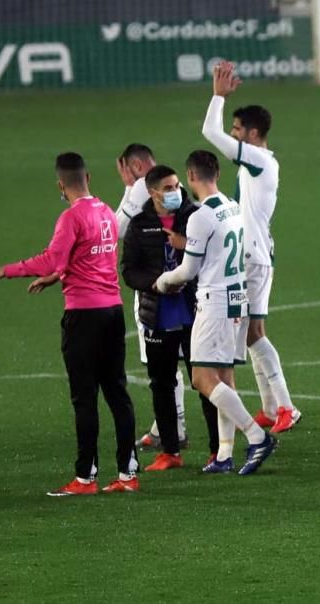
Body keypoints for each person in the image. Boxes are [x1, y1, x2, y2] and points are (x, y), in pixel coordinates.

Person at [0, 152, 139, 495]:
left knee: (84, 398)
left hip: (84, 317)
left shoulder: (71, 218)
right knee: (117, 394)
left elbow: (54, 257)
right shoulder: (106, 212)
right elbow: (88, 257)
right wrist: (55, 277)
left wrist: (5, 270)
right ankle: (128, 474)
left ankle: (85, 478)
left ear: (60, 186)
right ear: (88, 178)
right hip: (113, 312)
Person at [154, 150, 276, 475]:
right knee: (224, 378)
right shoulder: (232, 207)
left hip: (216, 301)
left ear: (190, 177)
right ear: (217, 173)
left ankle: (256, 436)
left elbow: (187, 272)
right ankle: (224, 454)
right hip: (237, 298)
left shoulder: (200, 216)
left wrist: (163, 281)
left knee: (201, 378)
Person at [202, 61, 300, 435]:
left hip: (252, 259)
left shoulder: (258, 159)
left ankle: (285, 406)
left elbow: (209, 130)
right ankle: (273, 407)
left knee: (253, 333)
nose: (232, 132)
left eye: (238, 129)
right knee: (253, 332)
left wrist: (218, 96)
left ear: (253, 134)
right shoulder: (258, 162)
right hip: (256, 254)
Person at [121, 164, 221, 471]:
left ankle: (219, 449)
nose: (176, 192)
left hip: (194, 313)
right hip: (158, 314)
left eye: (177, 186)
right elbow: (129, 271)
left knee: (204, 382)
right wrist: (156, 282)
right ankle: (170, 452)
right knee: (161, 384)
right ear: (152, 192)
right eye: (168, 188)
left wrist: (185, 263)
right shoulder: (139, 226)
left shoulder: (195, 216)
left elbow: (212, 257)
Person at [116, 143, 188, 452]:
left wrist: (129, 189)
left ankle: (172, 430)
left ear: (132, 167)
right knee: (182, 368)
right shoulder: (178, 193)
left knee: (162, 369)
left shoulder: (141, 192)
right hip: (181, 296)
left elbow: (116, 228)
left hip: (155, 298)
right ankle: (170, 427)